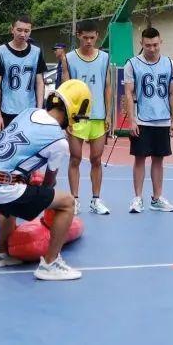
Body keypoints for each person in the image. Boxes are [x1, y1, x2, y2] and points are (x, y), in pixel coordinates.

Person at [0, 79, 92, 281]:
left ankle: (1, 253)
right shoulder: (59, 141)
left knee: (15, 189)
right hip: (2, 187)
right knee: (67, 203)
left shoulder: (29, 112)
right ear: (74, 112)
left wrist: (28, 180)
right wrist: (38, 184)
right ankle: (50, 264)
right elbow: (49, 185)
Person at [124, 26, 173, 214]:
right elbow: (128, 93)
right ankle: (137, 198)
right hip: (142, 120)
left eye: (155, 45)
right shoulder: (132, 64)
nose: (152, 49)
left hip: (162, 120)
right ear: (141, 43)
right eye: (148, 45)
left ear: (160, 42)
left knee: (158, 160)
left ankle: (156, 198)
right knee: (140, 159)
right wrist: (132, 120)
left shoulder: (170, 64)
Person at [62, 19, 113, 215]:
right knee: (75, 158)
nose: (89, 41)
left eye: (92, 38)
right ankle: (74, 200)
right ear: (79, 36)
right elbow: (65, 90)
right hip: (78, 117)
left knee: (96, 159)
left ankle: (96, 200)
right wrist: (67, 118)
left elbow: (107, 87)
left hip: (98, 116)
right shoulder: (68, 59)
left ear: (97, 36)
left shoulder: (104, 58)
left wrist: (108, 114)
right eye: (85, 38)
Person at [0, 15, 47, 133]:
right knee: (4, 144)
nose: (23, 34)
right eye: (19, 30)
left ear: (31, 31)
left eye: (26, 31)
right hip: (7, 110)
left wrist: (39, 110)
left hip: (29, 111)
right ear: (12, 29)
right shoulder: (1, 51)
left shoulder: (36, 52)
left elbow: (40, 82)